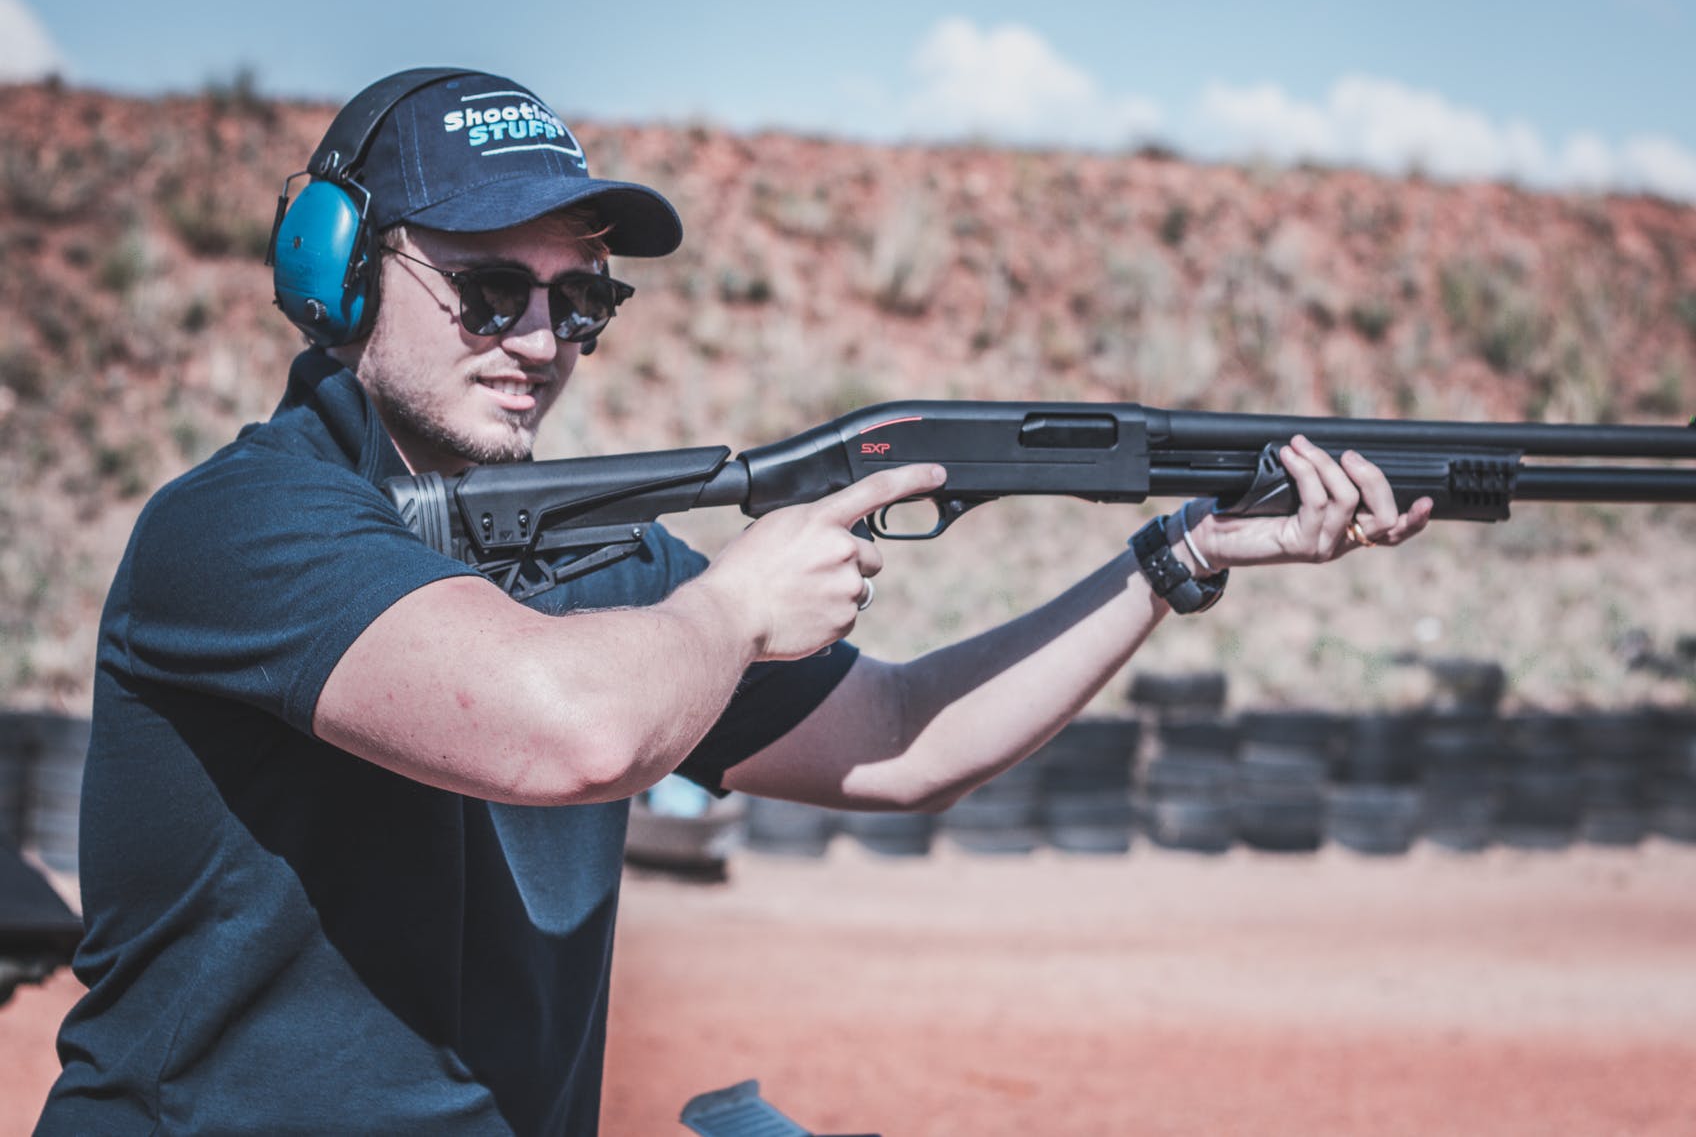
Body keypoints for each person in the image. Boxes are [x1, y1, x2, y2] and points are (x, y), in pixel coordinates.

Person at [36, 68, 1429, 1135]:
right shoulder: (239, 528)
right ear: (338, 270)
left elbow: (903, 738)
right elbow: (565, 730)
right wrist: (739, 605)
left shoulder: (598, 565)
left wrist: (1177, 560)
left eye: (579, 302)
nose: (539, 342)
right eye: (487, 290)